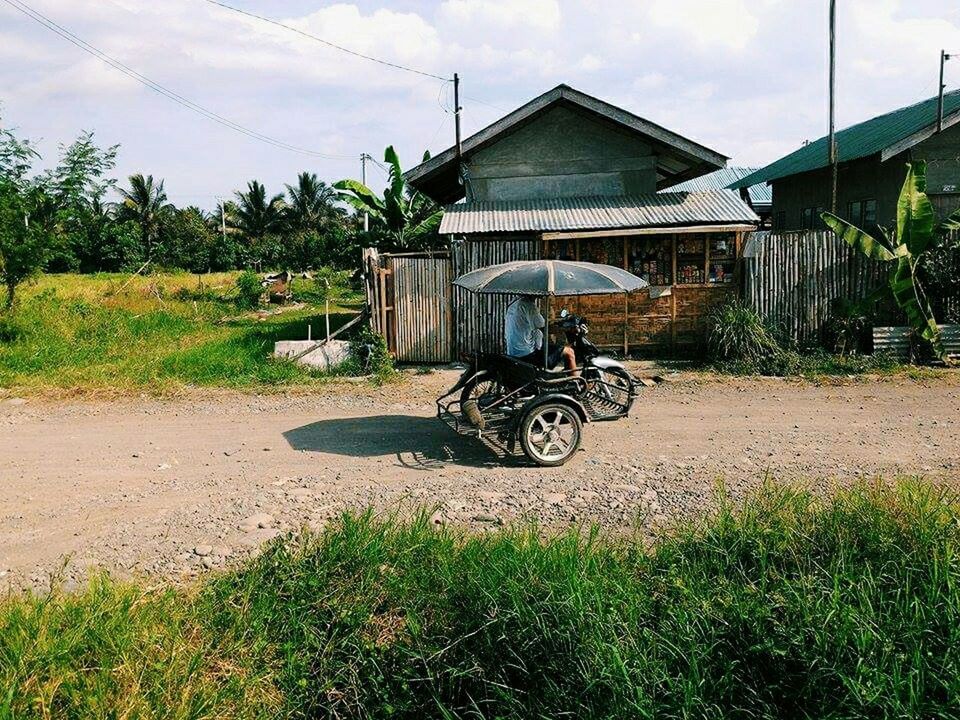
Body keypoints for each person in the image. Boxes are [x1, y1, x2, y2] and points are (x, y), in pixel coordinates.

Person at [504, 295, 577, 372]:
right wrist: (567, 329)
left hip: (514, 353)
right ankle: (577, 382)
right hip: (528, 355)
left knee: (555, 348)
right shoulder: (528, 306)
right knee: (569, 352)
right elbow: (546, 329)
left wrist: (558, 324)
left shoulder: (514, 304)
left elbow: (538, 325)